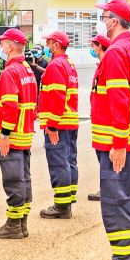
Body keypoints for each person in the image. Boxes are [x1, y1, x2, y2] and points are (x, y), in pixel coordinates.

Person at [89, 0, 130, 260]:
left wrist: (118, 143)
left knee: (116, 205)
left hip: (120, 143)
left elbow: (119, 100)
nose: (101, 18)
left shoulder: (116, 52)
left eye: (104, 15)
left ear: (114, 20)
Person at [0, 28, 37, 239]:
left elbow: (10, 106)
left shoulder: (10, 72)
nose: (0, 47)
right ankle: (22, 222)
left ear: (10, 47)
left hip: (12, 134)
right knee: (24, 178)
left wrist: (5, 133)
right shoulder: (27, 69)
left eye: (2, 43)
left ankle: (13, 225)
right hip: (25, 132)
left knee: (13, 180)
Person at [38, 31, 79, 219]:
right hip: (69, 120)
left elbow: (56, 95)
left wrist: (52, 124)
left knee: (59, 162)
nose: (46, 45)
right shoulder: (68, 64)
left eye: (48, 42)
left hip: (58, 123)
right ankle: (68, 199)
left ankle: (62, 206)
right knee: (69, 160)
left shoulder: (56, 65)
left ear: (56, 44)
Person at [86, 35, 111, 203]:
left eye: (94, 46)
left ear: (100, 46)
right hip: (99, 118)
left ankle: (108, 190)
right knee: (103, 158)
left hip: (106, 121)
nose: (92, 49)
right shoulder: (102, 65)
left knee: (106, 158)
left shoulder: (108, 66)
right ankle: (106, 189)